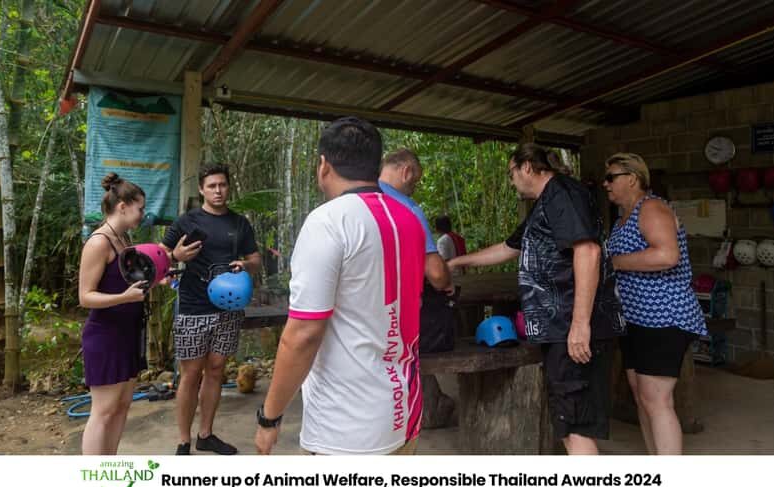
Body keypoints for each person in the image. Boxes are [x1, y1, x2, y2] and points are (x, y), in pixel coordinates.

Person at [254, 117, 427, 455]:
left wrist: (269, 416)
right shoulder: (409, 219)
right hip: (405, 411)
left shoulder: (329, 222)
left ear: (323, 165)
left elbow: (303, 334)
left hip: (348, 431)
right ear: (375, 166)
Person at [448, 144, 625, 455]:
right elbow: (508, 248)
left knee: (574, 425)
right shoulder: (546, 203)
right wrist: (457, 263)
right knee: (568, 419)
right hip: (560, 327)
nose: (511, 181)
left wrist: (580, 325)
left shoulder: (562, 194)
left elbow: (588, 251)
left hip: (572, 325)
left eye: (511, 173)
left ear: (527, 167)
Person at [603, 152, 707, 455]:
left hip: (664, 317)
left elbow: (666, 255)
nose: (605, 184)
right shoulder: (625, 216)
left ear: (632, 178)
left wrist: (613, 262)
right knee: (642, 396)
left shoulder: (651, 208)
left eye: (611, 177)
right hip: (637, 318)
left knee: (656, 399)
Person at [161, 163, 261, 455]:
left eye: (223, 185)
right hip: (193, 307)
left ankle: (206, 434)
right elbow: (161, 256)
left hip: (228, 308)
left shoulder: (239, 223)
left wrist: (246, 264)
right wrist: (176, 255)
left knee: (216, 370)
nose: (218, 191)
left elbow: (255, 258)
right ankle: (183, 439)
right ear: (202, 189)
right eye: (212, 186)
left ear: (228, 187)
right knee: (191, 374)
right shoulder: (187, 221)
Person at [78, 173, 152, 455]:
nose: (142, 215)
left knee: (121, 408)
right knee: (104, 411)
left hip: (128, 333)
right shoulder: (99, 242)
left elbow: (126, 280)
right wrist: (125, 297)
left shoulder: (123, 239)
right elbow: (85, 296)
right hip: (105, 335)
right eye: (140, 208)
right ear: (122, 206)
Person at [378, 149, 452, 292]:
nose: (413, 190)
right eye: (414, 183)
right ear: (406, 172)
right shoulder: (408, 208)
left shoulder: (356, 199)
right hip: (396, 302)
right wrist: (447, 280)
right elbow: (436, 275)